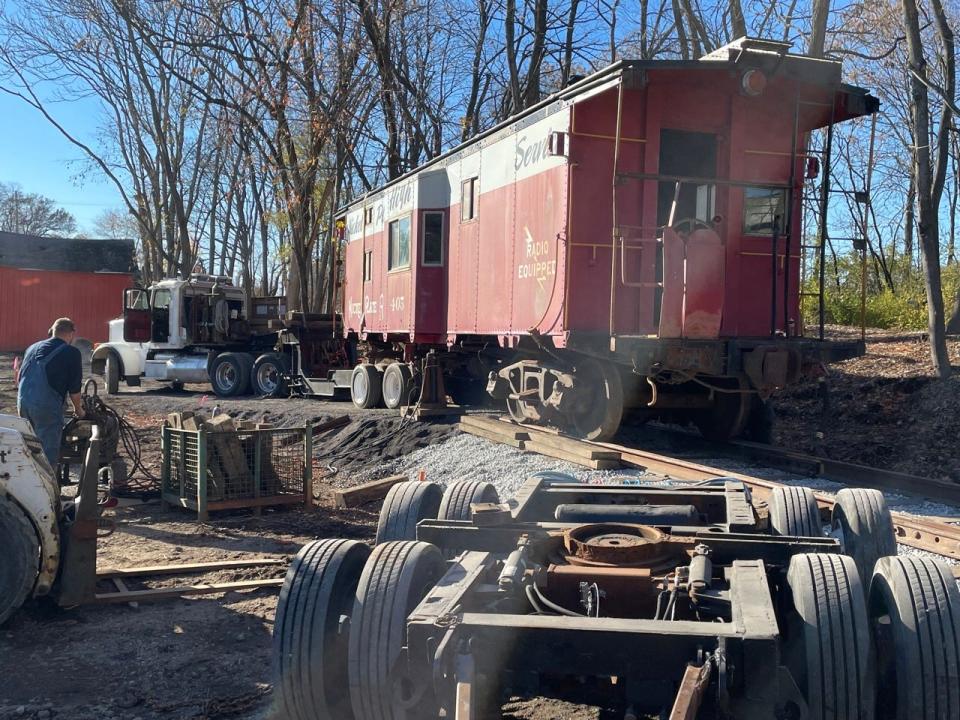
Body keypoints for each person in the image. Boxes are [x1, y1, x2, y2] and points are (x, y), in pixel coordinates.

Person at [17, 318, 84, 468]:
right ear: (71, 333)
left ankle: (27, 487)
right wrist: (79, 410)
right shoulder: (71, 352)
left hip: (23, 403)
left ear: (52, 331)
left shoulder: (32, 348)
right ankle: (47, 491)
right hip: (46, 408)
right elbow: (74, 390)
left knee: (29, 449)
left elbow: (21, 377)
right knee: (46, 455)